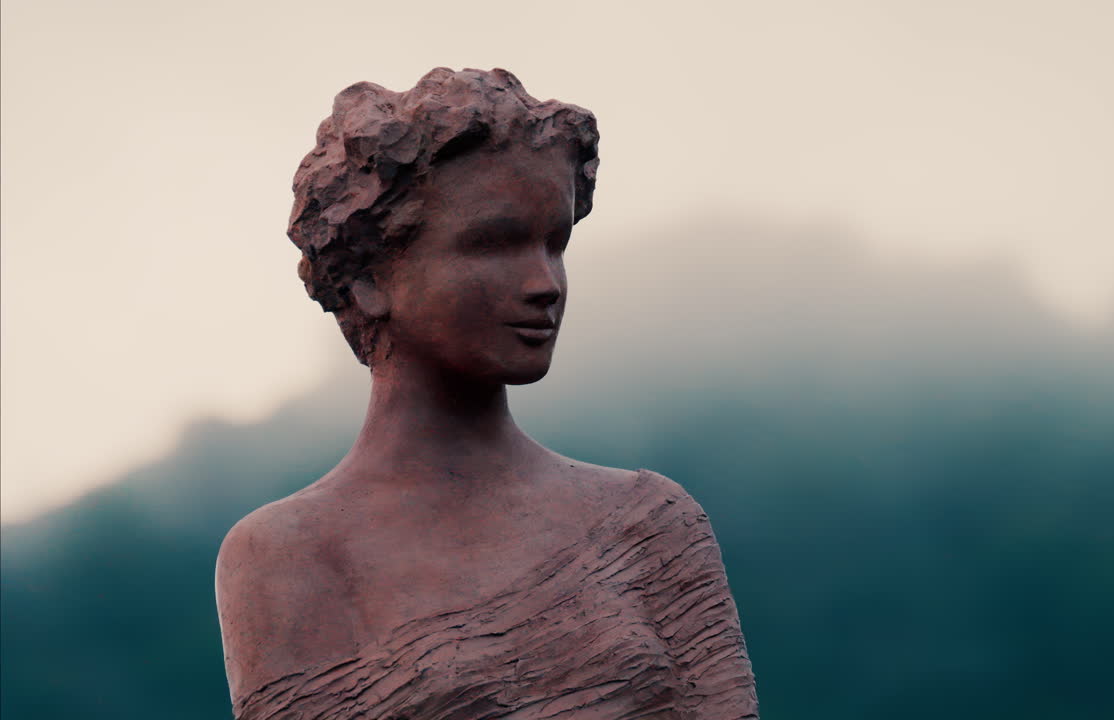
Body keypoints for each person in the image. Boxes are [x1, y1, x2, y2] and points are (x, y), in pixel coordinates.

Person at [214, 67, 759, 719]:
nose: (545, 282)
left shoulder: (651, 524)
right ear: (369, 278)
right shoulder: (286, 553)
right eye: (495, 244)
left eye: (555, 243)